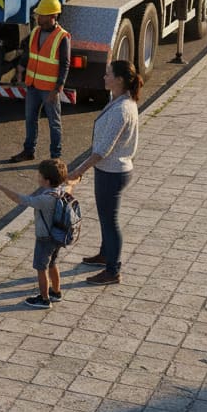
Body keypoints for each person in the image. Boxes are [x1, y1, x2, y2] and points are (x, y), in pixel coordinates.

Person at [67, 60, 142, 285]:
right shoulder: (120, 99)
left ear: (119, 80)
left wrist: (79, 170)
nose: (104, 77)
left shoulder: (121, 109)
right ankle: (104, 254)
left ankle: (113, 270)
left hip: (112, 172)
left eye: (108, 74)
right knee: (105, 218)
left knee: (110, 222)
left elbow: (103, 149)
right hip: (111, 170)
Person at [0, 159, 70, 309]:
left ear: (46, 181)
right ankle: (56, 292)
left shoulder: (44, 199)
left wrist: (0, 186)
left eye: (39, 175)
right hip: (56, 236)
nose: (37, 177)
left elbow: (19, 199)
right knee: (52, 264)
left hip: (44, 239)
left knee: (41, 269)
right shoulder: (61, 191)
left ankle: (44, 299)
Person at [11, 0, 71, 163]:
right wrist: (21, 68)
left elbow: (65, 65)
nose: (38, 17)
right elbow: (29, 53)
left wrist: (57, 89)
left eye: (42, 15)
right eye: (38, 14)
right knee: (30, 119)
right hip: (33, 85)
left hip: (49, 89)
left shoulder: (62, 37)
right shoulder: (36, 31)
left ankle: (55, 158)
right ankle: (28, 151)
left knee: (54, 123)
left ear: (53, 16)